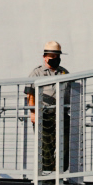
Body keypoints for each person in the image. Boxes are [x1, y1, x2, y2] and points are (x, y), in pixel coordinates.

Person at [25, 41, 68, 177]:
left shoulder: (64, 72)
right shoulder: (37, 73)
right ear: (45, 57)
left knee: (66, 143)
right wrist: (33, 112)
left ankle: (61, 173)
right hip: (44, 114)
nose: (55, 59)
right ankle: (49, 178)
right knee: (46, 147)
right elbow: (30, 93)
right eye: (52, 56)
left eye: (57, 56)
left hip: (61, 114)